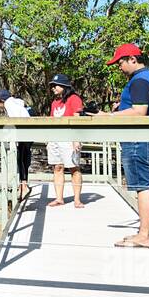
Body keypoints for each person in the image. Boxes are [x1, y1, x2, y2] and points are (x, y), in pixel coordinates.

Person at [99, 43, 149, 247]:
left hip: (138, 139)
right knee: (147, 187)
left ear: (132, 59)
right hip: (145, 138)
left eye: (120, 62)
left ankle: (144, 236)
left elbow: (140, 111)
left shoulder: (140, 81)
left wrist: (109, 116)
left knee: (142, 187)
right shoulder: (146, 77)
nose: (118, 66)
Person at [45, 74, 85, 207]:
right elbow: (51, 120)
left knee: (74, 168)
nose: (53, 88)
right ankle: (59, 198)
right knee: (57, 167)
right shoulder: (55, 102)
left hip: (69, 139)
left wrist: (76, 139)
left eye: (55, 85)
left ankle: (77, 200)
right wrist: (48, 139)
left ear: (64, 86)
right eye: (52, 86)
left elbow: (77, 119)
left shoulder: (74, 99)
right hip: (55, 139)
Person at [0, 87, 33, 200]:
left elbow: (15, 121)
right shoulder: (16, 102)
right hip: (28, 133)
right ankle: (23, 185)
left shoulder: (9, 105)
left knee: (20, 160)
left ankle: (23, 186)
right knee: (23, 159)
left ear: (1, 101)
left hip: (24, 133)